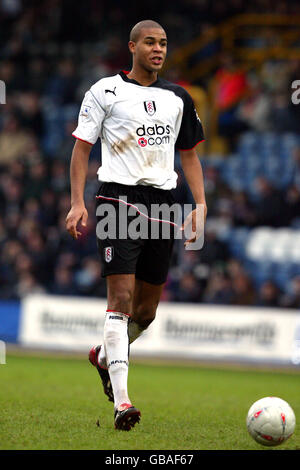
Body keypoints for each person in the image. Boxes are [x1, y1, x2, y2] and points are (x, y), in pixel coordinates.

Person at [65, 19, 206, 431]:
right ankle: (123, 403)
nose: (158, 49)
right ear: (132, 47)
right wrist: (77, 203)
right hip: (118, 199)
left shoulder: (178, 97)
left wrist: (200, 203)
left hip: (164, 204)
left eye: (162, 43)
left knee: (145, 313)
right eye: (149, 42)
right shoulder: (104, 91)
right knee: (121, 298)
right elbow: (81, 150)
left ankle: (104, 355)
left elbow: (191, 155)